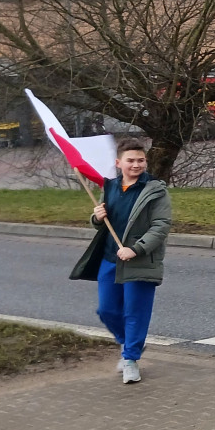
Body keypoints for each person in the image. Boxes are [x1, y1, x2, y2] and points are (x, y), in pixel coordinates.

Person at [70, 139, 172, 385]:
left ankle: (130, 359)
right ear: (119, 163)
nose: (136, 165)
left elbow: (161, 227)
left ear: (145, 161)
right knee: (107, 309)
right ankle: (130, 342)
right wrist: (96, 218)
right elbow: (103, 221)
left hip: (139, 260)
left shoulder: (155, 190)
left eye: (140, 160)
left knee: (135, 312)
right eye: (130, 160)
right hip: (110, 257)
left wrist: (136, 249)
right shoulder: (111, 187)